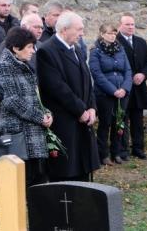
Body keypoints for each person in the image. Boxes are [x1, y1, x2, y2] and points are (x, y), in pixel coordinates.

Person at [36, 11, 100, 182]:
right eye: (79, 29)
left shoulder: (77, 49)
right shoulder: (47, 51)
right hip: (65, 121)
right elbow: (57, 88)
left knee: (83, 171)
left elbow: (87, 81)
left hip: (83, 120)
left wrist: (92, 107)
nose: (82, 33)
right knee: (66, 173)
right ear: (64, 29)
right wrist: (80, 110)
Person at [0, 28, 53, 185]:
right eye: (29, 47)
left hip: (33, 133)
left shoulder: (24, 66)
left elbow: (35, 97)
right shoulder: (3, 67)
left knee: (37, 181)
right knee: (21, 183)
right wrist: (40, 117)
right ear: (16, 48)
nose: (33, 51)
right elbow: (10, 100)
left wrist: (47, 113)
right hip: (18, 136)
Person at [89, 23, 133, 165]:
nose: (113, 36)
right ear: (102, 34)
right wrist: (113, 90)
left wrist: (125, 88)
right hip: (105, 94)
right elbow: (96, 73)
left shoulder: (121, 49)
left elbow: (128, 71)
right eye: (109, 33)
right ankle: (103, 154)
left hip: (122, 93)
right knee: (105, 123)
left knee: (118, 123)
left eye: (114, 33)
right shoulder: (95, 51)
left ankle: (117, 152)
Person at [116, 13, 147, 159]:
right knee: (122, 119)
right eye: (127, 24)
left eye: (132, 24)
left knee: (138, 119)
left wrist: (143, 74)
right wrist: (129, 78)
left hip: (139, 87)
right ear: (120, 26)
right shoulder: (116, 41)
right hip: (123, 87)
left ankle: (138, 147)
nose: (131, 27)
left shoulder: (141, 42)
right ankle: (122, 149)